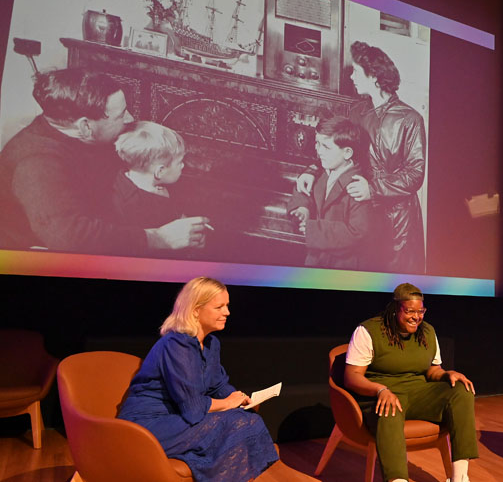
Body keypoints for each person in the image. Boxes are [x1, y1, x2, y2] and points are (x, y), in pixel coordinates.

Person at [0, 68, 208, 254]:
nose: (129, 118)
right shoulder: (36, 164)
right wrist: (160, 238)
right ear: (85, 127)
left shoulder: (85, 134)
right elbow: (71, 239)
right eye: (120, 115)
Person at [118, 277, 278, 481]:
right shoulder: (177, 344)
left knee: (247, 418)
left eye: (227, 305)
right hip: (149, 424)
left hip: (179, 417)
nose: (227, 312)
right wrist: (228, 403)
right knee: (237, 422)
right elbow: (193, 408)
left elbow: (219, 384)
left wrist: (240, 398)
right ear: (195, 310)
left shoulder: (211, 344)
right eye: (219, 307)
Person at [297, 41, 427, 273]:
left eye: (356, 71)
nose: (351, 77)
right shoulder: (356, 111)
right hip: (361, 211)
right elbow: (337, 147)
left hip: (398, 221)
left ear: (374, 76)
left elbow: (415, 173)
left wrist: (373, 189)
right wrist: (312, 170)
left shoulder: (410, 119)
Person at [344, 283, 478, 482]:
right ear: (395, 309)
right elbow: (352, 376)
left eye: (420, 311)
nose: (416, 317)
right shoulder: (368, 331)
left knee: (461, 391)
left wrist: (447, 374)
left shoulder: (427, 332)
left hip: (418, 393)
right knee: (389, 408)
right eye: (410, 311)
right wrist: (380, 390)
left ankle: (460, 477)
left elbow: (432, 370)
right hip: (383, 393)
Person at [287, 116, 375, 269]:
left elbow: (358, 232)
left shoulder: (357, 187)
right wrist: (303, 208)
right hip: (317, 258)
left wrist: (314, 230)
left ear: (347, 153)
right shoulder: (322, 171)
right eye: (317, 143)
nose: (319, 151)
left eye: (326, 147)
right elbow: (304, 190)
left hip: (344, 266)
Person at [113, 121, 187, 228]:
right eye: (180, 162)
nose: (183, 165)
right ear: (160, 171)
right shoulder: (155, 207)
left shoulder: (117, 180)